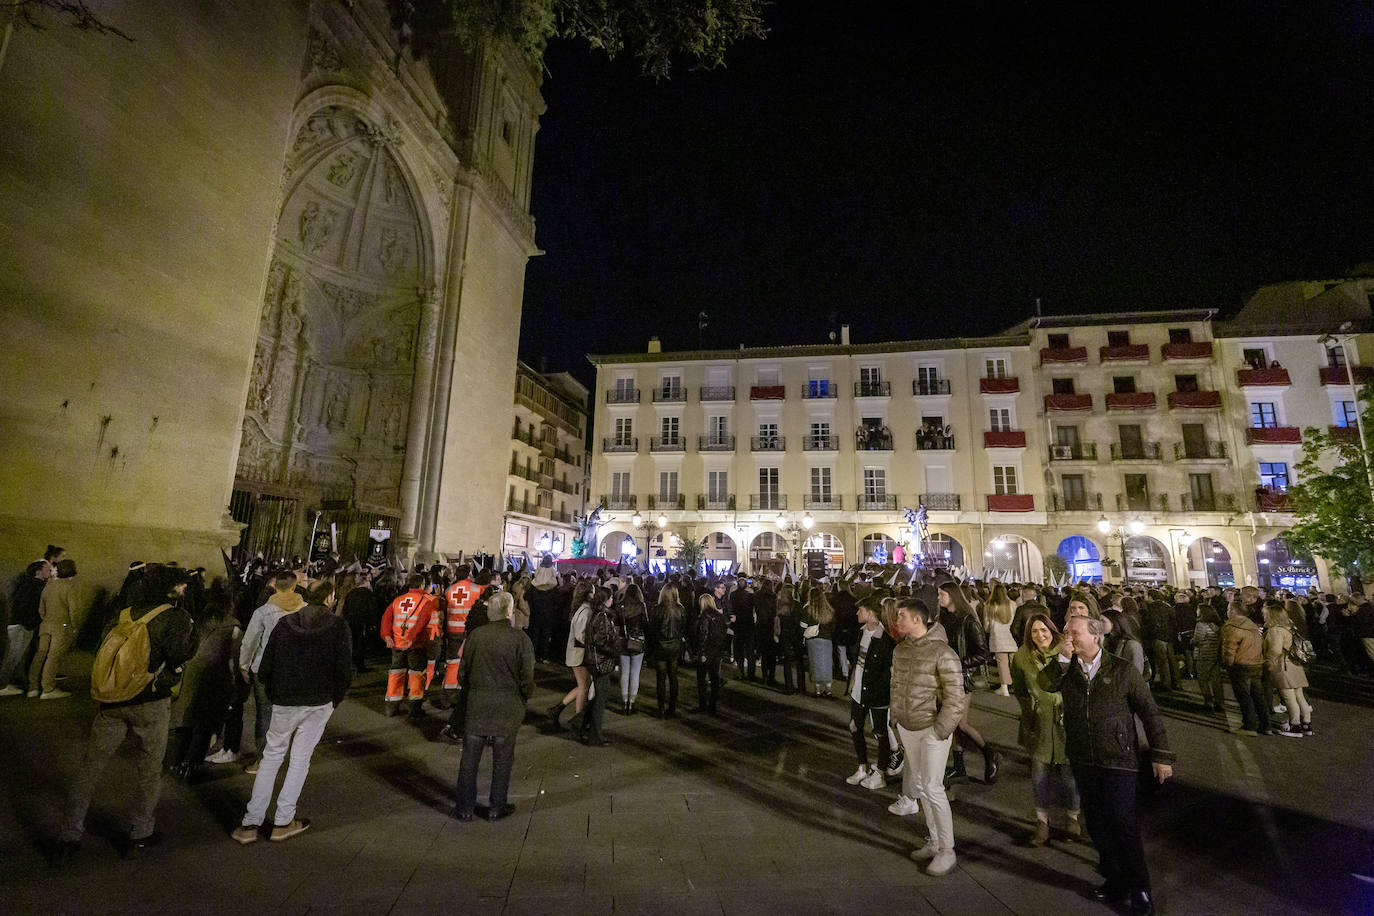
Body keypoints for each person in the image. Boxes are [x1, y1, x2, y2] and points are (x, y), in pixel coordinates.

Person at [55, 565, 196, 863]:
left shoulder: (126, 611)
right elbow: (179, 653)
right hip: (150, 700)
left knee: (90, 767)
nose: (185, 590)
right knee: (148, 768)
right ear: (172, 590)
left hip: (113, 698)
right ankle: (139, 833)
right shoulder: (175, 616)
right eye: (182, 586)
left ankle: (69, 834)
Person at [1049, 613, 1173, 916]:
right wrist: (1062, 661)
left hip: (1119, 759)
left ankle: (1140, 887)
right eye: (1066, 633)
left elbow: (1149, 713)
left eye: (1075, 633)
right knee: (1098, 824)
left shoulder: (1123, 670)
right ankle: (1115, 879)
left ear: (1096, 637)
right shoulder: (1066, 670)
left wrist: (1161, 755)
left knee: (1123, 823)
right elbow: (1045, 683)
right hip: (1082, 757)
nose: (1069, 639)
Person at [231, 578, 352, 844]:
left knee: (272, 756)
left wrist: (275, 694)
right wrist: (334, 699)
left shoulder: (286, 624)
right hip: (318, 701)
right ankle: (283, 820)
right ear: (330, 599)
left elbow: (266, 665)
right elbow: (344, 671)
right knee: (300, 759)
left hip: (285, 700)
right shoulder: (338, 627)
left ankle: (251, 823)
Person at [889, 597, 966, 877]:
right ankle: (934, 842)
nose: (897, 621)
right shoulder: (900, 650)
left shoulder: (942, 652)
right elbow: (896, 685)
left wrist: (940, 730)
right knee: (922, 785)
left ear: (917, 619)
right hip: (908, 727)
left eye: (901, 616)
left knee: (933, 787)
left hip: (932, 728)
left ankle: (947, 849)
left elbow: (955, 697)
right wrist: (896, 717)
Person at [452, 592, 535, 821]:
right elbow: (527, 677)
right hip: (507, 705)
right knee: (503, 758)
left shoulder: (476, 636)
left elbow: (462, 674)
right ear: (508, 612)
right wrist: (524, 696)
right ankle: (496, 806)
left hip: (477, 703)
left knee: (470, 758)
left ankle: (465, 807)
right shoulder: (520, 640)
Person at [1010, 613, 1080, 846]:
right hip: (1038, 721)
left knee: (1069, 774)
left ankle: (1073, 818)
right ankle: (1042, 822)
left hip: (1065, 720)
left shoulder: (1068, 650)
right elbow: (1019, 688)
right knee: (1039, 774)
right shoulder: (1022, 656)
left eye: (1044, 630)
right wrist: (1028, 709)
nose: (1040, 635)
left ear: (1052, 629)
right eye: (1034, 631)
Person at [168, 583, 241, 778]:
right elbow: (233, 658)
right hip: (215, 675)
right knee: (205, 721)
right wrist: (235, 683)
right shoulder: (233, 626)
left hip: (192, 672)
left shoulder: (200, 621)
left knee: (187, 718)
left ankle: (176, 761)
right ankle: (192, 764)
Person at [239, 572, 306, 769]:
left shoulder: (263, 612)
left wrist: (244, 666)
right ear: (294, 587)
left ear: (275, 587)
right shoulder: (305, 611)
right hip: (293, 670)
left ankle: (263, 760)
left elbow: (249, 642)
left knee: (265, 714)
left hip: (264, 669)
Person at [936, 581, 999, 784]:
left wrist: (957, 664)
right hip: (948, 676)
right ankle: (959, 765)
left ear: (952, 596)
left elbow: (982, 653)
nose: (939, 598)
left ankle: (989, 753)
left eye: (941, 594)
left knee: (960, 723)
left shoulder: (968, 621)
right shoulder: (945, 619)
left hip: (963, 677)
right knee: (953, 724)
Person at [844, 597, 895, 791]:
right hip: (859, 690)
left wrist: (876, 692)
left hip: (876, 694)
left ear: (871, 613)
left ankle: (880, 772)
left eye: (861, 610)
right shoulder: (862, 633)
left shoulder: (884, 640)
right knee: (854, 727)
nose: (857, 613)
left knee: (880, 732)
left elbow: (886, 673)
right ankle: (862, 767)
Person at [380, 573, 440, 718]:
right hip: (415, 645)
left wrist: (387, 637)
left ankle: (391, 707)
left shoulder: (398, 600)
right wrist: (411, 639)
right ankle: (415, 708)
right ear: (421, 585)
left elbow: (386, 619)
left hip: (396, 644)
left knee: (396, 674)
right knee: (416, 675)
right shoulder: (426, 601)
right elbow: (421, 622)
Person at [28, 558, 81, 699]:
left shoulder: (49, 585)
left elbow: (41, 608)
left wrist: (46, 619)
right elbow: (74, 610)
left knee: (40, 654)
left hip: (45, 625)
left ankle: (32, 687)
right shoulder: (70, 587)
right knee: (53, 657)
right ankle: (48, 689)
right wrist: (75, 626)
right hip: (61, 626)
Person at [547, 580, 594, 729]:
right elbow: (581, 635)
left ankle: (559, 709)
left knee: (583, 686)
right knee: (583, 687)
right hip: (579, 654)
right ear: (588, 594)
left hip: (576, 653)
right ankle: (578, 718)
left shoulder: (579, 608)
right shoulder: (585, 611)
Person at [1262, 602, 1312, 737]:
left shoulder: (1275, 631)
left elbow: (1275, 650)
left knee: (1288, 697)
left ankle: (1295, 726)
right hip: (1295, 665)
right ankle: (1306, 724)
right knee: (1299, 695)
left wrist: (1268, 663)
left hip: (1283, 666)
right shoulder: (1289, 627)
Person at [579, 586, 619, 745]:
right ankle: (594, 735)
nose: (612, 600)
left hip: (597, 660)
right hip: (600, 661)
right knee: (601, 697)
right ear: (605, 599)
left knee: (600, 695)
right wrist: (615, 650)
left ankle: (581, 725)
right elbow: (599, 641)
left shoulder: (599, 614)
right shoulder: (602, 616)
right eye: (610, 598)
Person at [1221, 601, 1269, 736]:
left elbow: (1230, 648)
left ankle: (1250, 726)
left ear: (1233, 611)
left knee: (1244, 696)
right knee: (1258, 695)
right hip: (1256, 663)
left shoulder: (1233, 627)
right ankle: (1265, 725)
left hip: (1241, 664)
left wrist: (1227, 664)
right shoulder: (1252, 626)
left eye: (1229, 608)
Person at [1, 561, 48, 696]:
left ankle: (9, 682)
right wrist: (29, 623)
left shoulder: (27, 583)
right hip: (21, 626)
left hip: (18, 624)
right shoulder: (33, 586)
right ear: (38, 572)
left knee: (15, 656)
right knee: (13, 657)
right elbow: (24, 607)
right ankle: (2, 686)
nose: (50, 572)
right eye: (47, 569)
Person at [441, 566, 481, 706]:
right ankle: (462, 696)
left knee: (452, 663)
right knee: (468, 663)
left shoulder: (449, 590)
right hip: (469, 632)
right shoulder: (476, 589)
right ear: (469, 574)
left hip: (452, 631)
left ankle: (447, 696)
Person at [646, 582, 685, 717]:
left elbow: (651, 630)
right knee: (673, 677)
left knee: (661, 678)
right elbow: (683, 628)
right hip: (674, 645)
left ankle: (661, 708)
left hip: (660, 646)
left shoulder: (657, 609)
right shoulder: (680, 609)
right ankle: (672, 707)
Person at [693, 590, 728, 714]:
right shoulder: (719, 616)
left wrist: (702, 652)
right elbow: (723, 633)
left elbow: (703, 635)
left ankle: (703, 704)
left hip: (707, 651)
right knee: (715, 678)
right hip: (717, 650)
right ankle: (712, 705)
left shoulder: (704, 617)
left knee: (702, 679)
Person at [617, 582, 647, 714]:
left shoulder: (620, 606)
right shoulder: (641, 606)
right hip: (637, 640)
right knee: (635, 673)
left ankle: (624, 702)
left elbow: (616, 623)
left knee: (624, 673)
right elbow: (645, 624)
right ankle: (631, 702)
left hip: (624, 641)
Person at [339, 570, 377, 672]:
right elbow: (371, 609)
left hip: (351, 622)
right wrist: (373, 622)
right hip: (362, 623)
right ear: (366, 583)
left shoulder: (350, 593)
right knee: (361, 644)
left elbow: (345, 608)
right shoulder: (368, 594)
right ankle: (360, 665)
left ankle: (351, 664)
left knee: (353, 643)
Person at [984, 581, 1017, 696]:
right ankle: (1017, 684)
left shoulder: (989, 605)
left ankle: (1004, 687)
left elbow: (987, 625)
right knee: (1014, 662)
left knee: (1002, 662)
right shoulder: (1012, 604)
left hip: (997, 637)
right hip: (1011, 636)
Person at [803, 588, 837, 697]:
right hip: (826, 639)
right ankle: (829, 689)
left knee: (814, 664)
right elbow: (833, 625)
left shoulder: (808, 608)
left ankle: (817, 690)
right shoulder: (828, 609)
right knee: (827, 664)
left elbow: (802, 625)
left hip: (813, 640)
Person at [1192, 607, 1225, 713]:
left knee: (1203, 680)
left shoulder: (1201, 625)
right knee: (1216, 681)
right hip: (1214, 655)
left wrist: (1191, 641)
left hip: (1203, 655)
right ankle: (1219, 703)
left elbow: (1198, 640)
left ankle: (1208, 702)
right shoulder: (1218, 625)